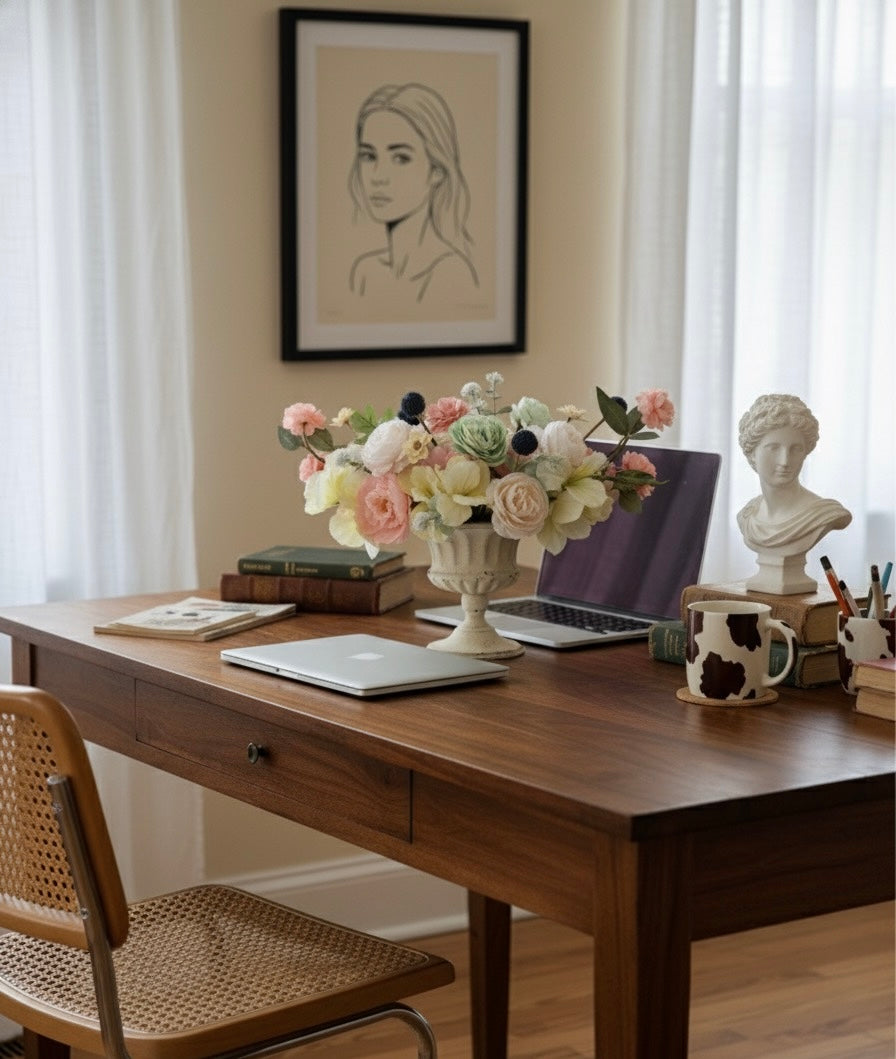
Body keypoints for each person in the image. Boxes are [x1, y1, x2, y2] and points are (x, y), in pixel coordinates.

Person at [348, 83, 479, 305]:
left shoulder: (448, 272)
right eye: (369, 156)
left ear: (437, 170)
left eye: (400, 158)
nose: (378, 176)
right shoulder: (365, 271)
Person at [736, 394, 851, 593]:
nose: (785, 461)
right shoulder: (747, 516)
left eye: (796, 449)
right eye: (773, 448)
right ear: (752, 452)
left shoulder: (825, 513)